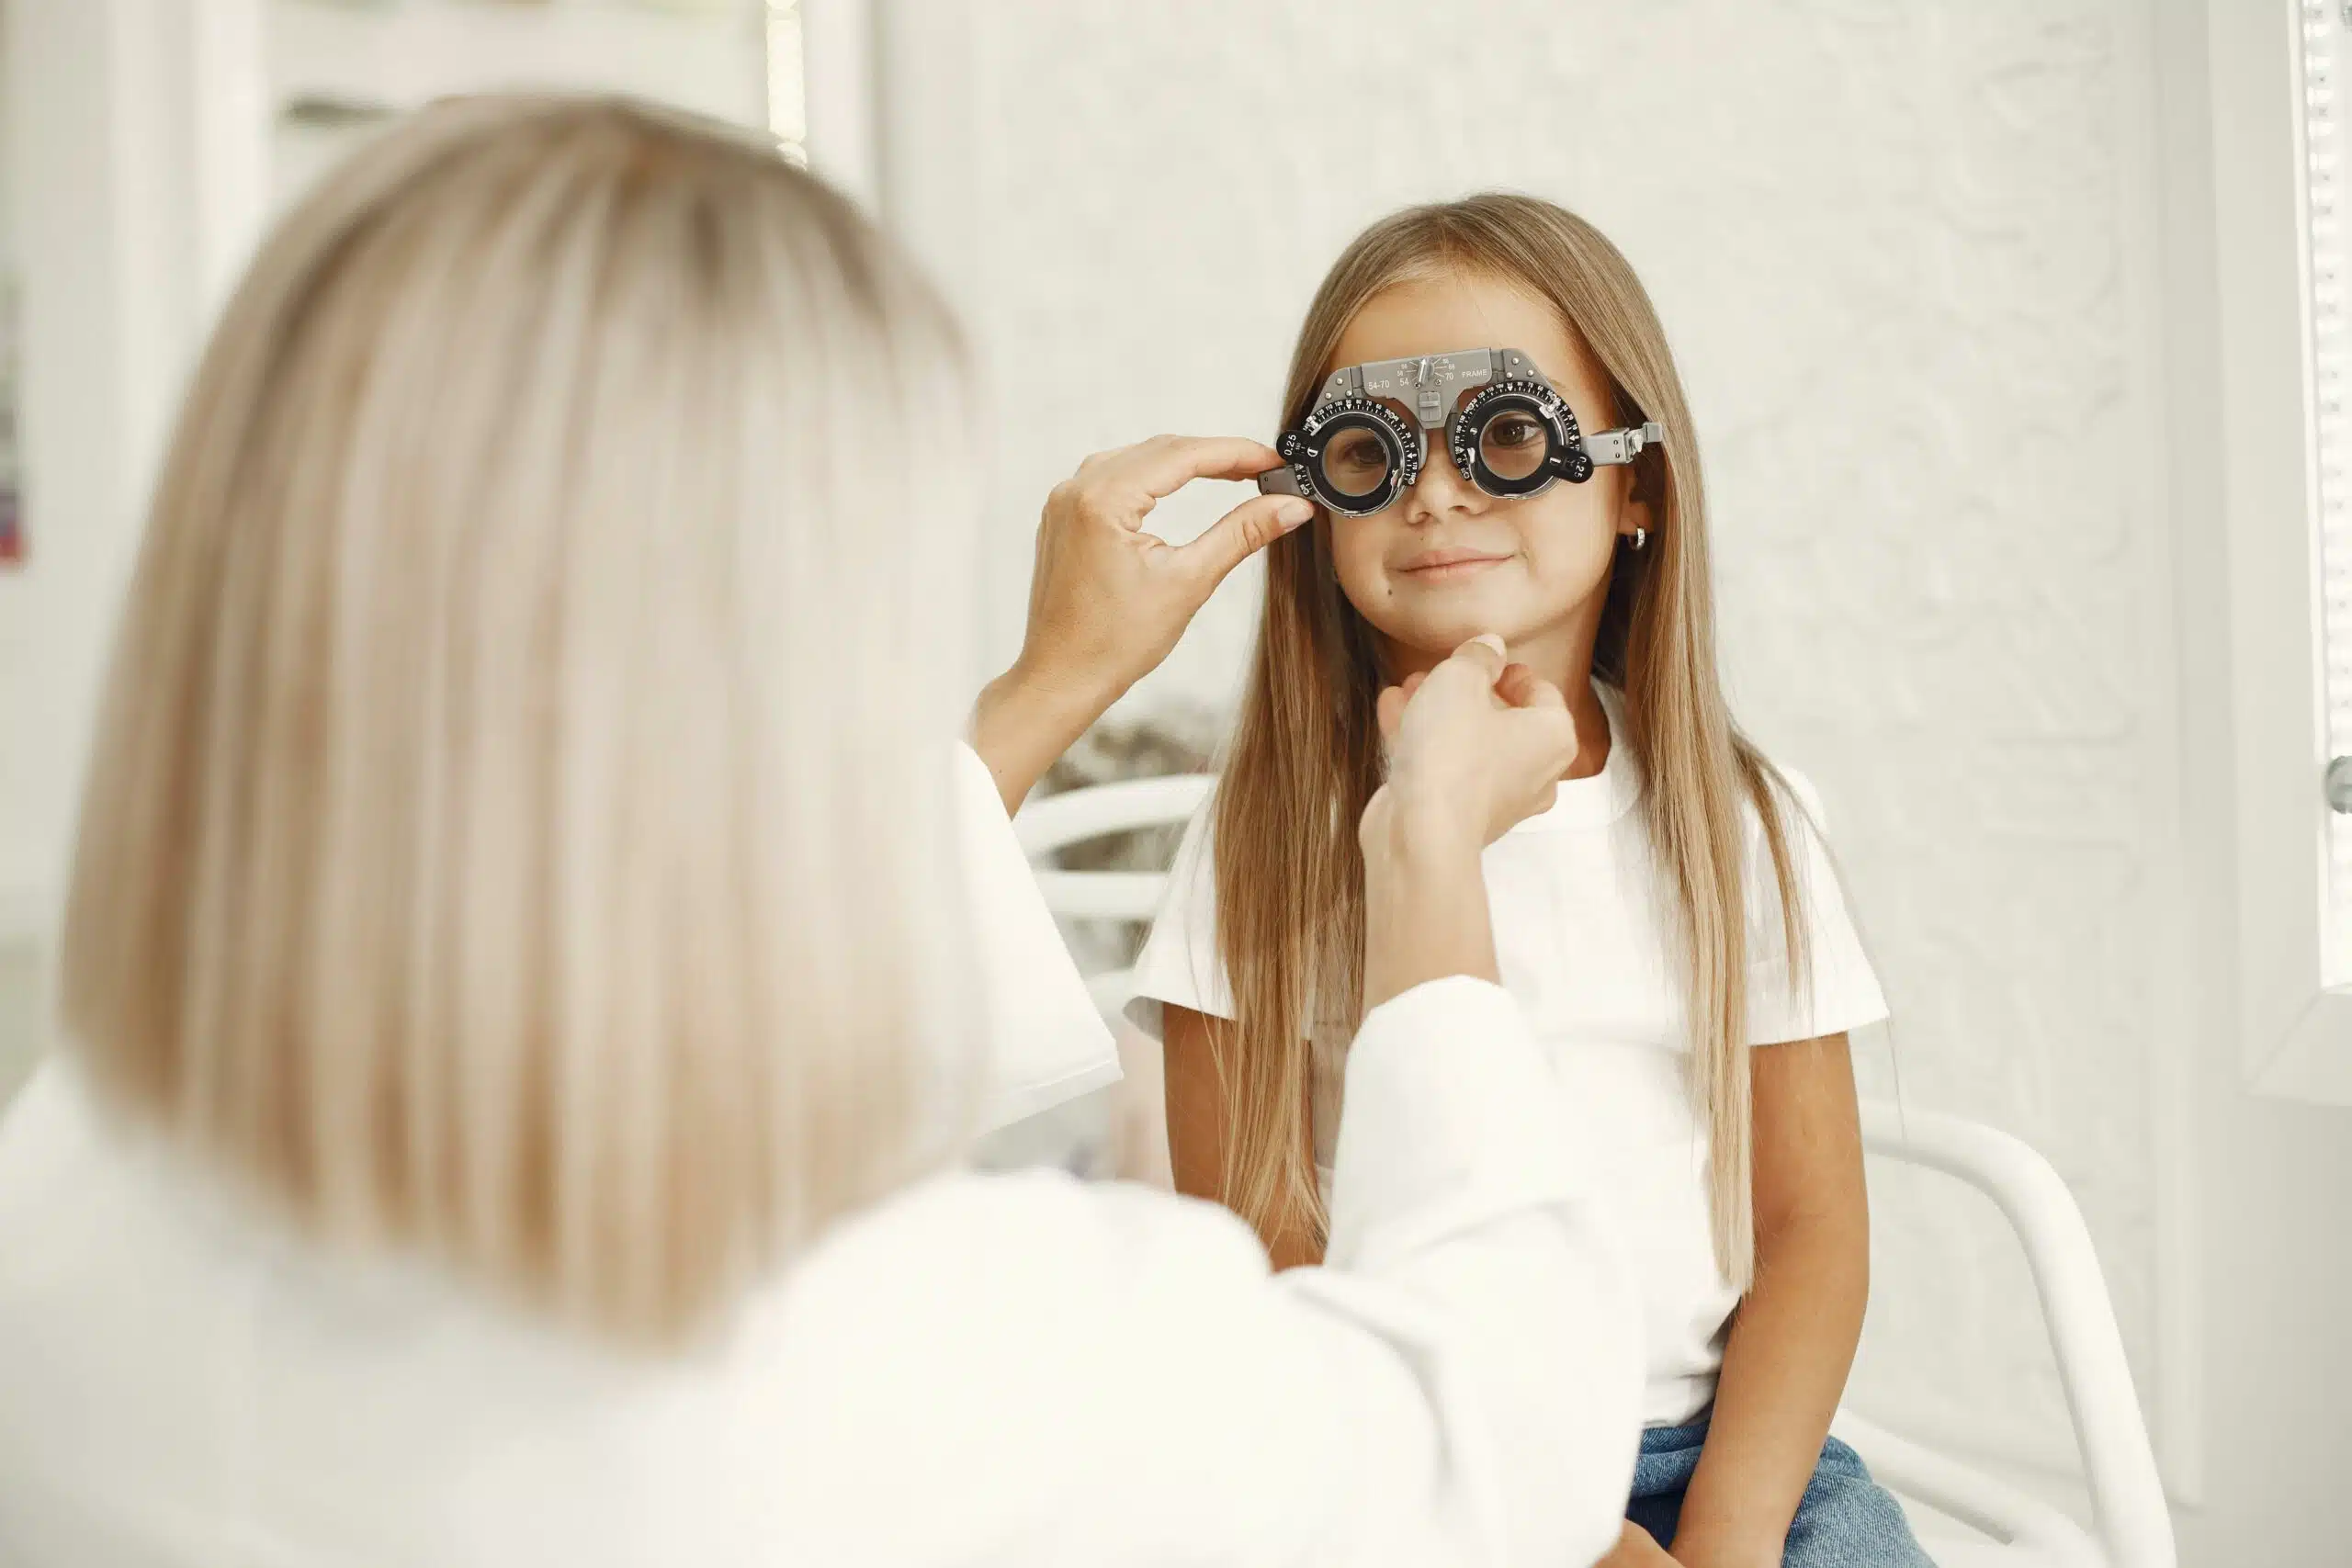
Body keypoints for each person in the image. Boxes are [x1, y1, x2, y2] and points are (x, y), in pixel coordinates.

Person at [0, 97, 1646, 1567]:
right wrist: (1425, 856)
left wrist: (1041, 689)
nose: (1439, 494)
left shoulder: (62, 1193)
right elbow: (1481, 1446)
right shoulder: (941, 1362)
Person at [1126, 197, 1934, 1566]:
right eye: (1372, 448)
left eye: (1506, 434)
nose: (1439, 492)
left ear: (1637, 485)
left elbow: (1811, 1229)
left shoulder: (1739, 820)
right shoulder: (1263, 835)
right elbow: (1258, 1236)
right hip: (1401, 1457)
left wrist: (1725, 1539)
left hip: (1709, 1459)